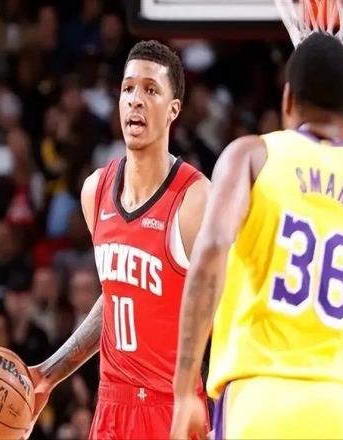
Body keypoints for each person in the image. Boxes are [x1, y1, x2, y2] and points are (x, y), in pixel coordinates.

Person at [170, 33, 343, 440]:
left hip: (260, 397)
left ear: (288, 98)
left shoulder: (252, 156)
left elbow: (212, 250)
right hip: (342, 410)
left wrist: (184, 388)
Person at [26, 40, 210, 439]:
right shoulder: (95, 190)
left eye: (150, 89)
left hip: (173, 409)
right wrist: (48, 374)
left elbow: (224, 310)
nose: (135, 100)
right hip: (112, 408)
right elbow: (115, 295)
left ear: (173, 110)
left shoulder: (195, 199)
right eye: (128, 88)